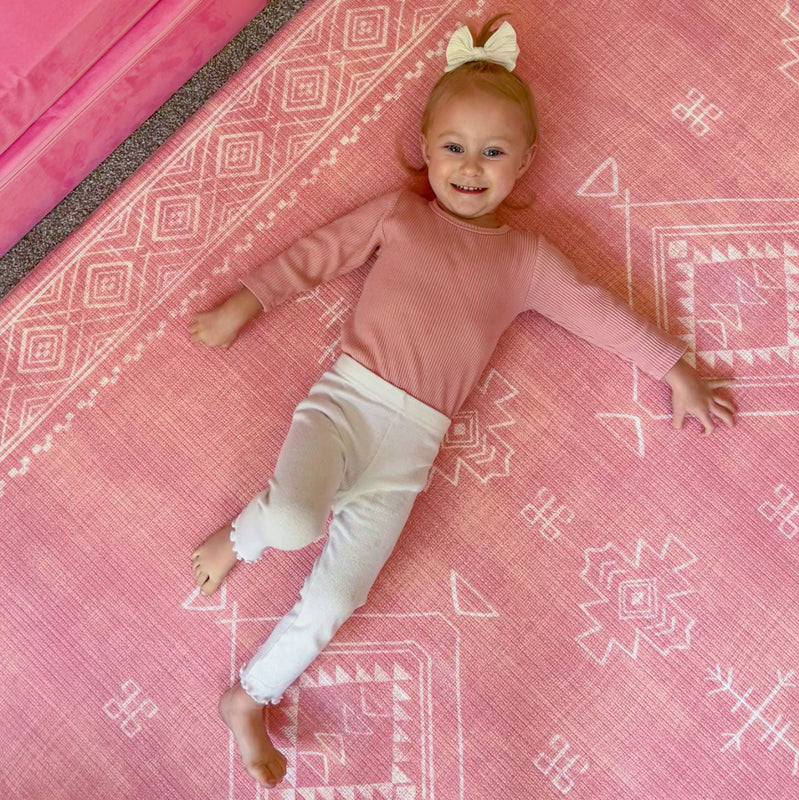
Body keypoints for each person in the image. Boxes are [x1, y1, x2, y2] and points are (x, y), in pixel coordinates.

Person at [189, 16, 736, 788]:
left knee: (340, 593)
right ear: (423, 145)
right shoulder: (400, 215)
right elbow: (318, 255)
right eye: (453, 146)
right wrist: (248, 301)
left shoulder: (527, 260)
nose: (469, 167)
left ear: (525, 164)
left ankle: (250, 696)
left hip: (411, 453)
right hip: (347, 404)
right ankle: (241, 537)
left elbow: (598, 310)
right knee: (294, 520)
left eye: (493, 152)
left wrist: (671, 364)